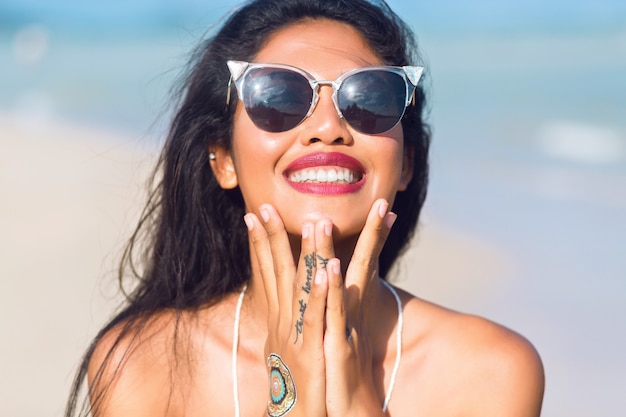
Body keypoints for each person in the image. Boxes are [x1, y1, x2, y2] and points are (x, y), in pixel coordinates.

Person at [66, 0, 545, 416]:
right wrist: (289, 401)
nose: (327, 126)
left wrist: (358, 403)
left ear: (406, 164)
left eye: (370, 98)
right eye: (278, 97)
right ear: (223, 159)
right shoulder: (142, 362)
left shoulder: (490, 369)